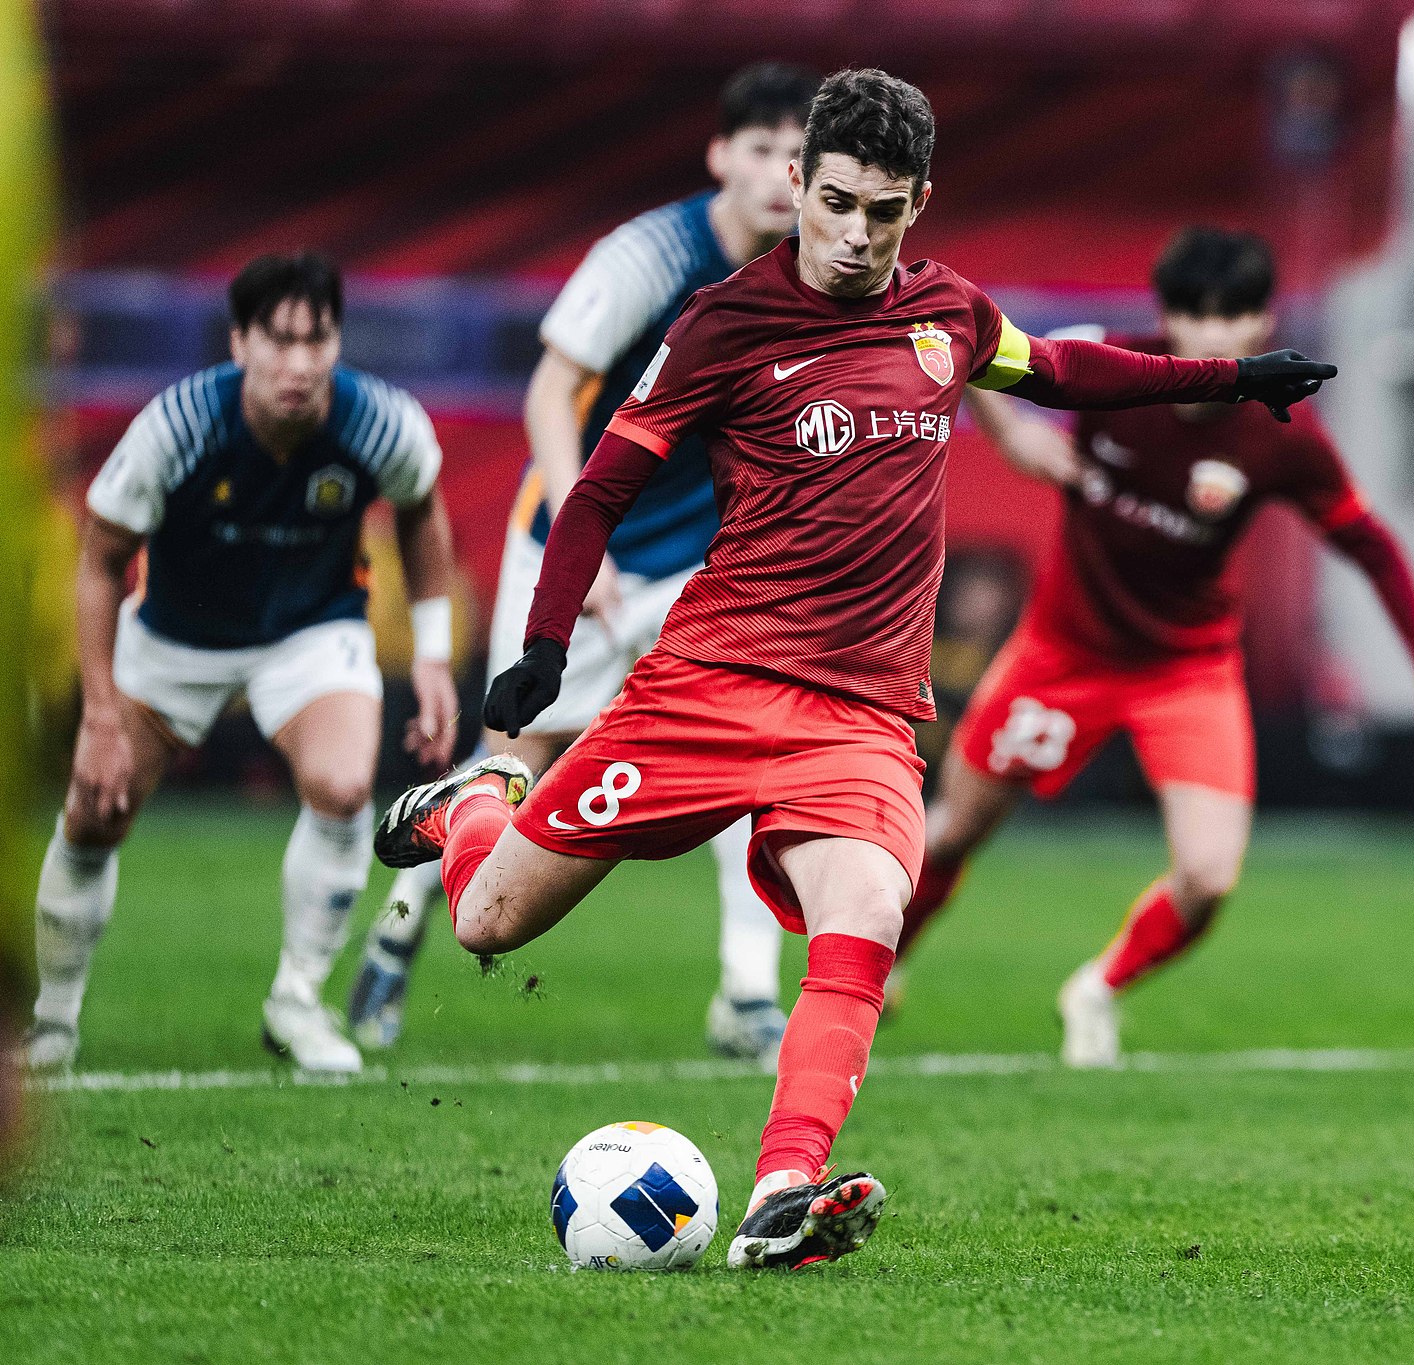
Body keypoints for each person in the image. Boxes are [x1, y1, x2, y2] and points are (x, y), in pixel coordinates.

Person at [372, 68, 1336, 1270]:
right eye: (835, 203)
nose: (855, 234)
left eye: (883, 211)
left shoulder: (948, 318)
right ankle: (475, 806)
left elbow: (1067, 376)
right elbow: (604, 484)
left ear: (918, 202)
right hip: (705, 689)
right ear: (796, 184)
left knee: (868, 910)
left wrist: (1232, 381)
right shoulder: (724, 323)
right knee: (488, 919)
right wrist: (546, 648)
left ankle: (783, 1191)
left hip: (865, 716)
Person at [892, 226, 1414, 1068]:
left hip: (1187, 671)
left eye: (1235, 316)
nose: (1215, 334)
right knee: (951, 832)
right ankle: (883, 967)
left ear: (1262, 323)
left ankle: (1095, 986)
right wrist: (973, 383)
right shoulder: (1110, 371)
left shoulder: (1279, 434)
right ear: (1167, 318)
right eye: (1196, 315)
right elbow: (1009, 397)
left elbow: (1368, 543)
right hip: (1063, 652)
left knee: (1209, 878)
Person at [347, 64, 821, 1066]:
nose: (779, 173)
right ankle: (399, 918)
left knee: (752, 756)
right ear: (718, 156)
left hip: (698, 563)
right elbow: (551, 390)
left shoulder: (809, 268)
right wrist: (580, 532)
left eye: (796, 151)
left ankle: (744, 996)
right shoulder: (649, 253)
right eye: (758, 146)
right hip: (572, 541)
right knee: (522, 757)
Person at [26, 252, 458, 1075]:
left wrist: (433, 654)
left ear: (337, 342)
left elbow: (421, 512)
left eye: (316, 339)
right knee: (93, 814)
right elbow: (98, 560)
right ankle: (50, 1021)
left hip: (310, 629)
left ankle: (296, 1002)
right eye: (278, 339)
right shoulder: (178, 426)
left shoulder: (381, 422)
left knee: (340, 787)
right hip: (173, 637)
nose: (298, 362)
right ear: (240, 342)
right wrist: (101, 715)